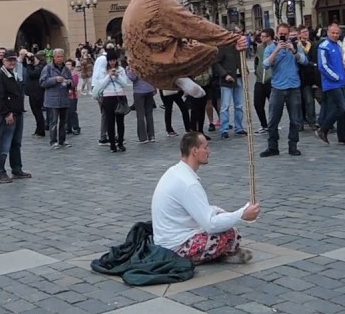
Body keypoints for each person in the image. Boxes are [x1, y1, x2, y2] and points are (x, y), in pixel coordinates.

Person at [122, 0, 248, 98]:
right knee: (210, 49)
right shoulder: (160, 2)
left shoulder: (135, 1)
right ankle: (179, 75)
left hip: (140, 67)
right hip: (159, 62)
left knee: (174, 39)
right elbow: (196, 25)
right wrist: (233, 38)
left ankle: (177, 78)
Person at [151, 132, 260, 265]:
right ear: (195, 151)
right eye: (206, 147)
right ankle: (208, 256)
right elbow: (210, 225)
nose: (209, 151)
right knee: (232, 234)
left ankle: (217, 254)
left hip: (167, 240)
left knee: (224, 223)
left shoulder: (176, 171)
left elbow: (198, 210)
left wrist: (222, 212)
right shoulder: (188, 183)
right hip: (174, 247)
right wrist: (241, 214)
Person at [260, 24, 308, 157]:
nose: (283, 36)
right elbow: (265, 64)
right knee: (273, 119)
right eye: (281, 34)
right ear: (276, 34)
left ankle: (293, 146)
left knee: (295, 119)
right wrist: (277, 50)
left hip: (293, 87)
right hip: (278, 87)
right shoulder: (271, 48)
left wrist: (294, 51)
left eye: (285, 34)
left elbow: (305, 61)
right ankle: (272, 147)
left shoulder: (296, 46)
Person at [0, 53, 31, 184]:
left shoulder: (13, 73)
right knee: (4, 145)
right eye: (9, 60)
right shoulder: (0, 75)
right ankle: (1, 172)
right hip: (8, 115)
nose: (12, 62)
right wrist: (7, 113)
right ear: (4, 61)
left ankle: (17, 169)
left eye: (14, 60)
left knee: (16, 144)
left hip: (18, 113)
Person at [316, 23, 345, 145]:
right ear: (328, 33)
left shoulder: (338, 45)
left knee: (343, 108)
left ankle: (342, 135)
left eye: (337, 33)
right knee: (341, 107)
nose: (335, 35)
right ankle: (324, 129)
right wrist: (335, 77)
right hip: (331, 83)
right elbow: (323, 66)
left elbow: (340, 62)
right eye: (333, 33)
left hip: (341, 82)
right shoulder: (324, 46)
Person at [94, 56, 131, 153]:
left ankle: (120, 143)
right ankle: (112, 144)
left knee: (120, 122)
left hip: (120, 96)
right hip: (108, 97)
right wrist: (108, 75)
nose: (112, 63)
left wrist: (117, 76)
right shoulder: (103, 71)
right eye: (110, 60)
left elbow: (124, 84)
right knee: (110, 122)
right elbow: (101, 85)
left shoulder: (121, 70)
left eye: (114, 60)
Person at [41, 49, 72, 149]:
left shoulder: (66, 69)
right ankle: (53, 141)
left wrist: (69, 82)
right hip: (52, 100)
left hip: (64, 98)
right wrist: (54, 80)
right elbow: (42, 82)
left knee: (64, 122)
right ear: (54, 57)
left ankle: (62, 140)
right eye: (58, 57)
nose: (60, 58)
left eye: (61, 56)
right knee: (53, 122)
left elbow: (71, 81)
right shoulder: (48, 68)